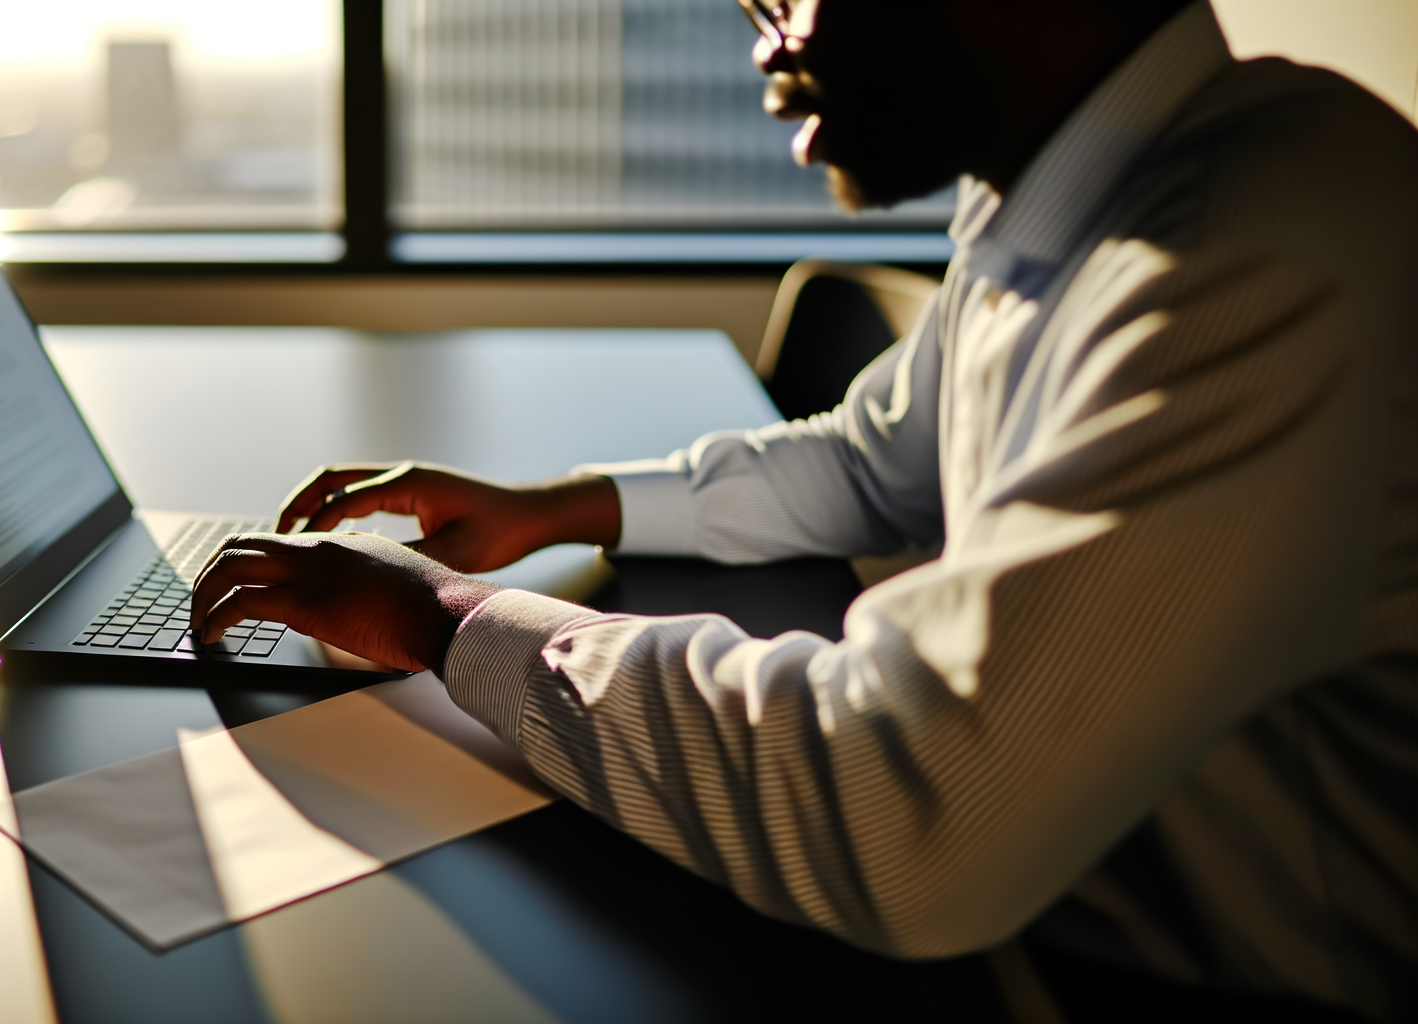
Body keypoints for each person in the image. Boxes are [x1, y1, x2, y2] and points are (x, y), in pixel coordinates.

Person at [190, 1, 1418, 1018]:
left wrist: (443, 622)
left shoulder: (1252, 251)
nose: (767, 40)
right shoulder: (1077, 192)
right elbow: (882, 460)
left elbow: (913, 806)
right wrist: (554, 508)